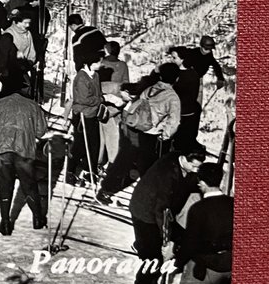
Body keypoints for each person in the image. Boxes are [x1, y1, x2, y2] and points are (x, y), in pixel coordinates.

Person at [126, 148, 206, 284]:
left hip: (161, 212)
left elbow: (190, 182)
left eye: (198, 167)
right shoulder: (167, 174)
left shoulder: (182, 165)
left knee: (180, 240)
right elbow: (160, 210)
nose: (196, 170)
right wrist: (166, 238)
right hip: (146, 213)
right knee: (153, 257)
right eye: (193, 166)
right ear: (183, 158)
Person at [97, 63, 183, 203]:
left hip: (133, 128)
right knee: (148, 168)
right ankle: (147, 200)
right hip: (150, 134)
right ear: (177, 79)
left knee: (125, 160)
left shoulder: (150, 88)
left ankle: (106, 190)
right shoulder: (173, 97)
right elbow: (174, 121)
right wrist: (165, 135)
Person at [174, 162, 233, 284]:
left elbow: (190, 244)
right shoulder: (234, 204)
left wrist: (177, 262)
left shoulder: (199, 209)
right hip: (228, 266)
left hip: (204, 267)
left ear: (202, 183)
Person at [0, 74, 49, 234]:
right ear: (25, 89)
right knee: (29, 185)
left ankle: (5, 223)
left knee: (4, 186)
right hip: (25, 151)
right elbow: (41, 131)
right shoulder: (33, 105)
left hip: (2, 150)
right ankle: (38, 218)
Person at [168, 35, 229, 152]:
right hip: (187, 79)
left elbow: (215, 64)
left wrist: (220, 78)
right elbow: (181, 63)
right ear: (201, 46)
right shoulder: (193, 53)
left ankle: (191, 138)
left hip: (197, 80)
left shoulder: (209, 55)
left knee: (196, 108)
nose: (208, 51)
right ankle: (179, 139)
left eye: (210, 49)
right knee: (187, 108)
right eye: (206, 48)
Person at [64, 30, 106, 185]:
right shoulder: (81, 77)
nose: (101, 64)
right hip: (82, 115)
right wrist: (99, 100)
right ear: (91, 63)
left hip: (92, 114)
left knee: (94, 144)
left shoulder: (96, 75)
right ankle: (70, 171)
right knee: (80, 145)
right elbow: (83, 99)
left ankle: (90, 170)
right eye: (99, 62)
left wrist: (99, 99)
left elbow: (97, 93)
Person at [97, 40, 131, 168]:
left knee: (100, 134)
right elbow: (126, 83)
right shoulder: (122, 65)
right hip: (116, 104)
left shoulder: (101, 63)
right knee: (113, 134)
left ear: (107, 50)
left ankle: (99, 160)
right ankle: (112, 160)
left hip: (101, 101)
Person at [0, 9, 37, 89]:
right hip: (11, 66)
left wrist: (30, 61)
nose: (28, 25)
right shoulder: (9, 33)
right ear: (17, 22)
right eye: (25, 23)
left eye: (29, 23)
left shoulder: (28, 33)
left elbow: (32, 50)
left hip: (24, 64)